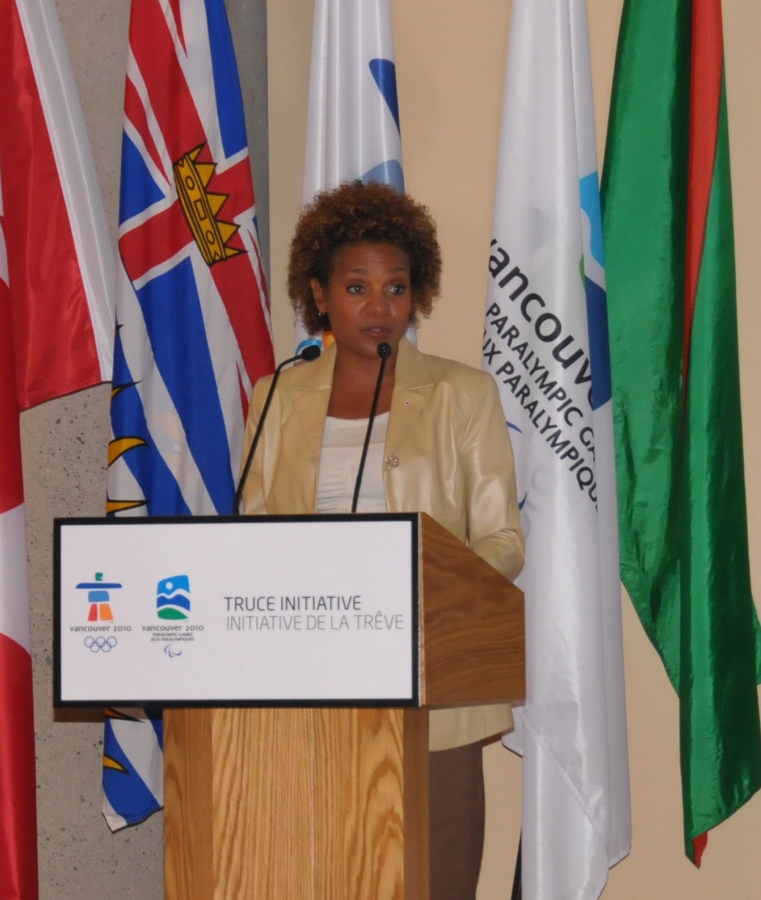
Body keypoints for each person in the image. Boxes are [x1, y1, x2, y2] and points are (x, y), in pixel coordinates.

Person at [238, 181, 524, 900]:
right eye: (358, 287)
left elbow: (502, 540)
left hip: (436, 686)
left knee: (439, 884)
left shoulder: (463, 395)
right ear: (320, 295)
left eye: (396, 287)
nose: (378, 306)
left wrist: (424, 602)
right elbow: (252, 536)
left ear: (417, 294)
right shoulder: (278, 396)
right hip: (312, 689)